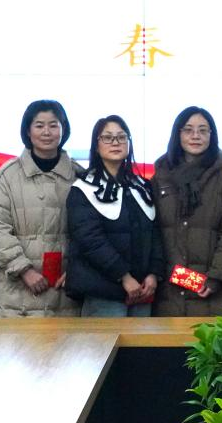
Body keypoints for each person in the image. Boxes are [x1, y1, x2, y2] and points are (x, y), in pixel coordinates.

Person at [0, 100, 81, 317]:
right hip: (17, 293)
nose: (46, 132)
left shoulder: (78, 175)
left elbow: (90, 232)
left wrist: (77, 271)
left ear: (63, 130)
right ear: (28, 131)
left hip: (65, 294)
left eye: (54, 125)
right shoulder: (8, 175)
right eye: (39, 125)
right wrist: (24, 270)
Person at [152, 106, 222, 317]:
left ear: (212, 136)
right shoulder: (160, 179)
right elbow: (152, 232)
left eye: (203, 130)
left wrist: (216, 277)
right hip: (169, 293)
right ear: (177, 134)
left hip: (216, 293)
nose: (195, 136)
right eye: (188, 130)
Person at [65, 116, 166, 316]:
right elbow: (90, 241)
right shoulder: (82, 189)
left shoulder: (142, 187)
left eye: (121, 137)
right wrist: (124, 277)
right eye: (107, 137)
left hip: (143, 290)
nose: (115, 142)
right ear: (96, 146)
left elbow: (156, 234)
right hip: (103, 293)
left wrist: (154, 274)